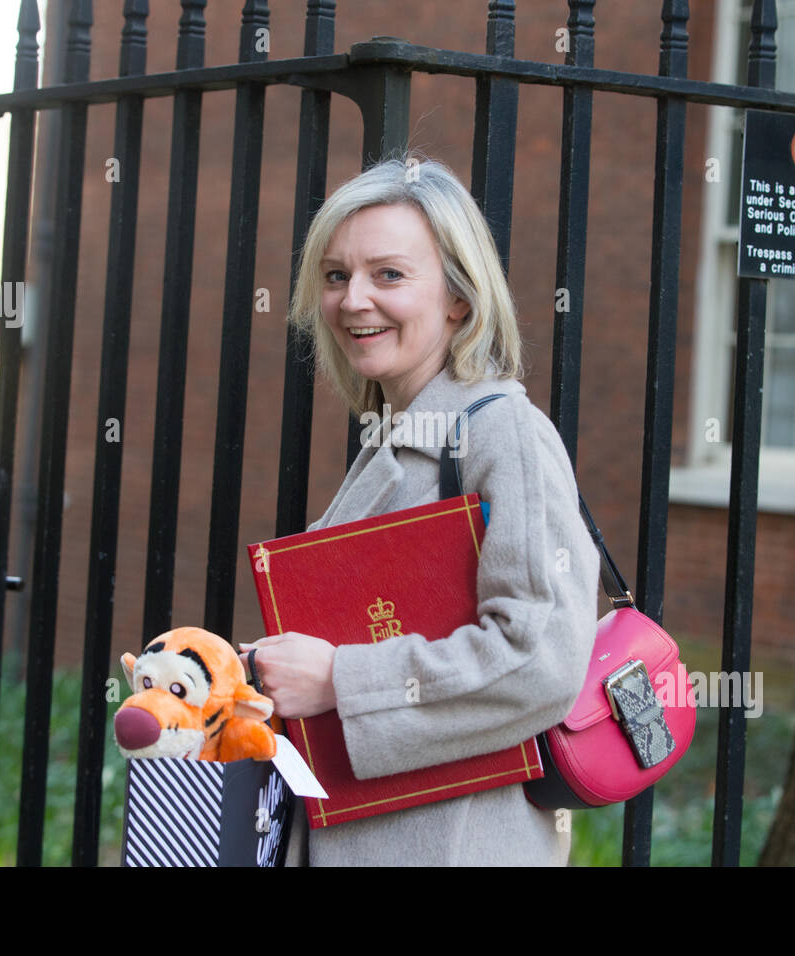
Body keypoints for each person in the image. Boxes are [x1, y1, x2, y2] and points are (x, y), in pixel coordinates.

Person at [238, 153, 600, 866]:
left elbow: (539, 660)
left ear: (459, 299)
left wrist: (341, 679)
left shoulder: (505, 433)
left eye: (389, 275)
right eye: (337, 276)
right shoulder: (398, 432)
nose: (352, 300)